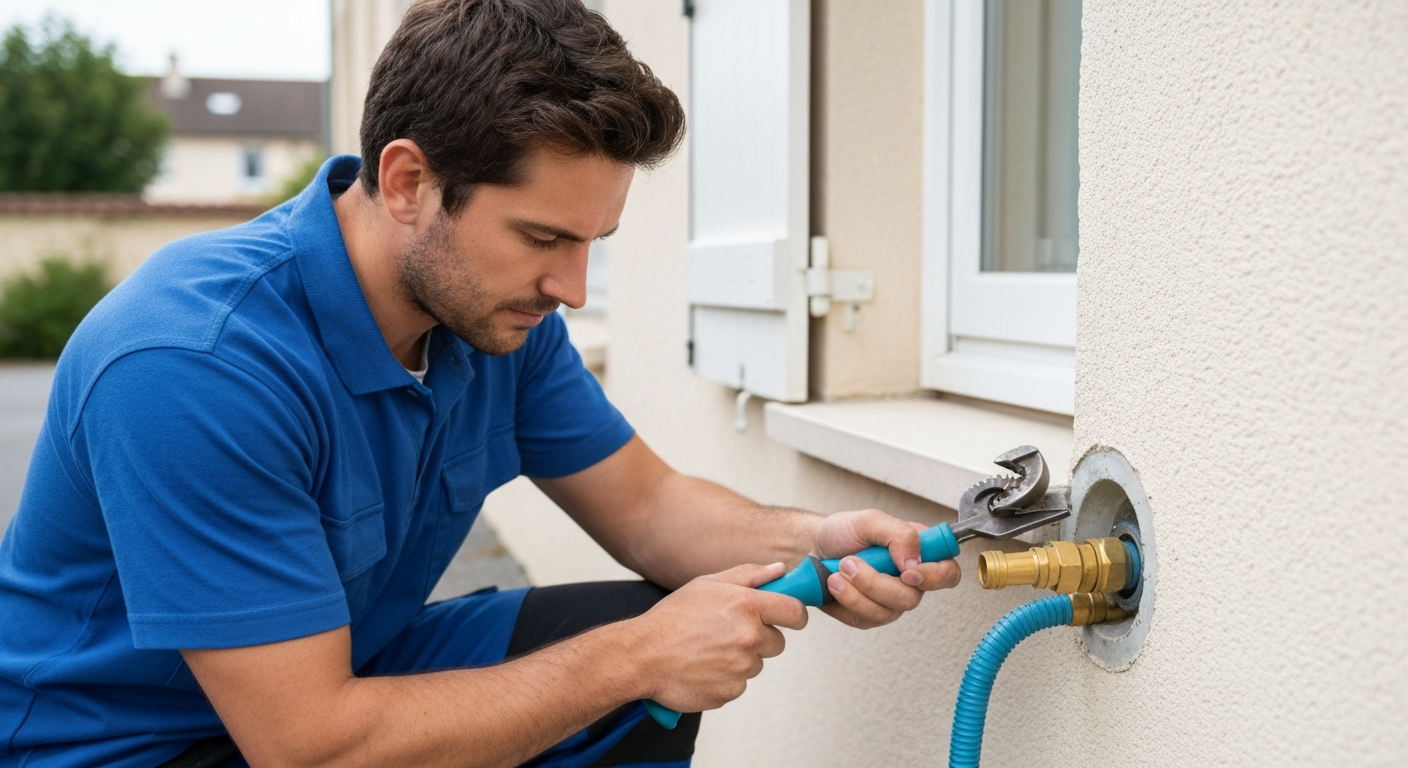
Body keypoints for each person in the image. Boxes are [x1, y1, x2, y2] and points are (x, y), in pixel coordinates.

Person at [0, 1, 961, 766]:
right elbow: (308, 749)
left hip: (333, 682)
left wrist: (816, 539)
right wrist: (637, 657)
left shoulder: (491, 318)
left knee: (635, 632)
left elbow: (651, 509)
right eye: (544, 238)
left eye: (592, 244)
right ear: (410, 182)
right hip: (125, 743)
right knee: (632, 652)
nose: (572, 290)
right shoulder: (195, 366)